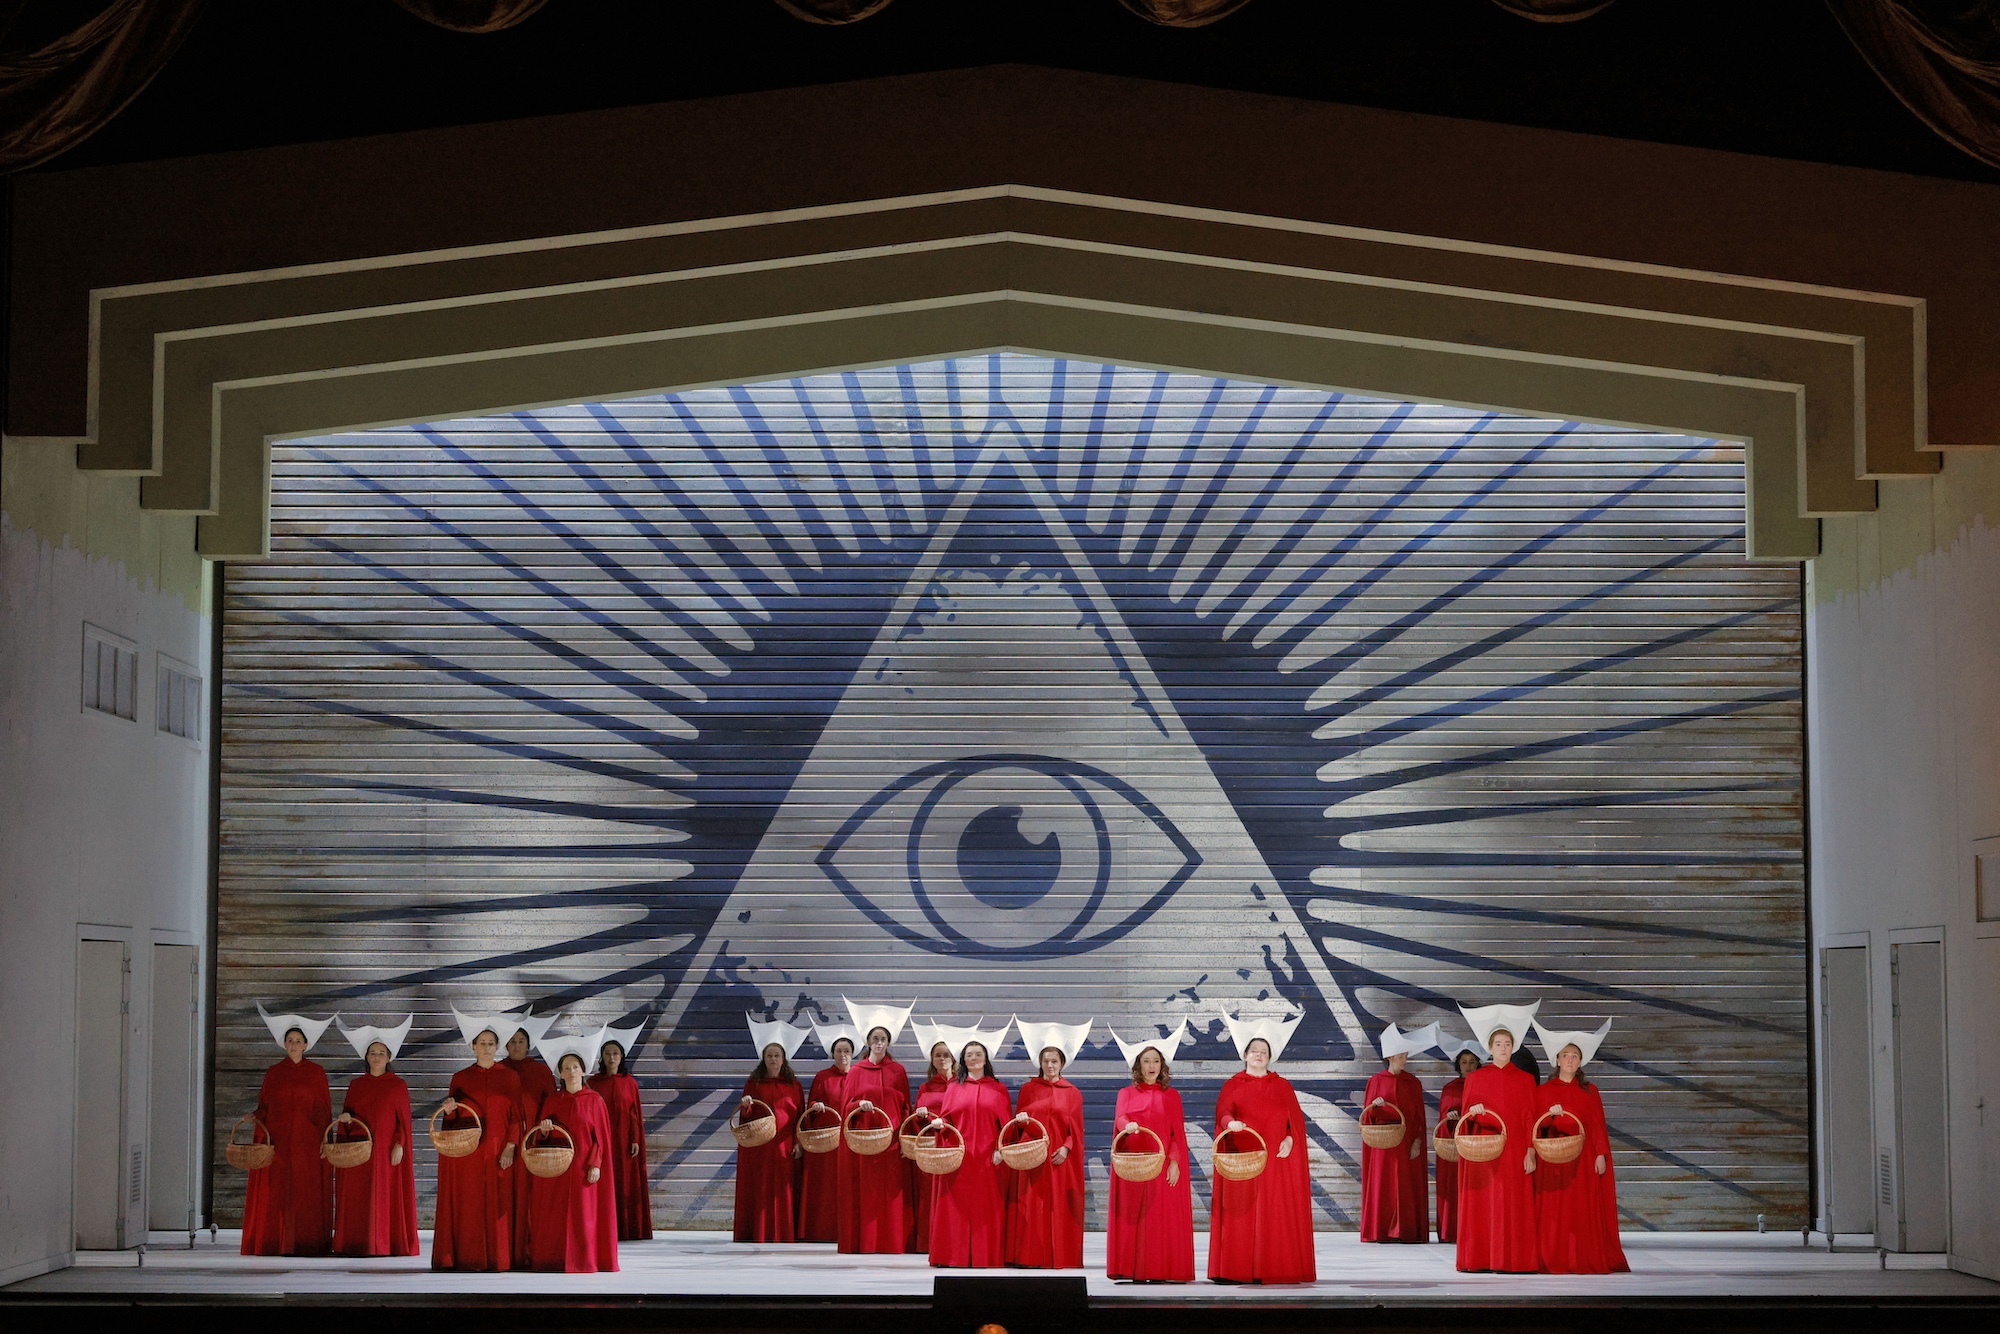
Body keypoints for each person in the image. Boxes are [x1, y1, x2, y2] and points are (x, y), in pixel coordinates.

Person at [1208, 1015, 1316, 1284]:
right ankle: (1237, 1268)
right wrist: (1229, 1123)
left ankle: (1275, 1266)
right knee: (1243, 1213)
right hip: (1244, 1161)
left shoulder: (1282, 1086)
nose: (1258, 1055)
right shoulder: (1232, 1085)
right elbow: (1223, 1112)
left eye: (1264, 1052)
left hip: (1276, 1164)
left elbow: (1296, 1124)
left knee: (1274, 1213)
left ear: (1270, 1058)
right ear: (1244, 1054)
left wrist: (1290, 1140)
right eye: (1254, 1051)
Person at [1530, 1020, 1628, 1275]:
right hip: (1554, 1161)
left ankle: (1581, 1257)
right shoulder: (1542, 1092)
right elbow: (1536, 1130)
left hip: (1583, 1160)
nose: (1570, 1060)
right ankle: (1553, 1258)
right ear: (1558, 1061)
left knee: (1581, 1210)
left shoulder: (1589, 1091)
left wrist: (1600, 1155)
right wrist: (1550, 1116)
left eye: (1575, 1056)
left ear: (1580, 1061)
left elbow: (1597, 1125)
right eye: (1566, 1055)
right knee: (1555, 1212)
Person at [1453, 1001, 1542, 1274]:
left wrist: (1530, 1151)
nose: (1503, 1048)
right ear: (1490, 1048)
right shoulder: (1476, 1079)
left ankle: (1515, 1259)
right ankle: (1481, 1258)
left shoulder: (1526, 1080)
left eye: (1507, 1043)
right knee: (1485, 1205)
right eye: (1498, 1044)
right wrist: (1474, 1111)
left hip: (1515, 1150)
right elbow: (1467, 1118)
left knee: (1515, 1205)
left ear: (1513, 1047)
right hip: (1486, 1150)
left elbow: (1530, 1118)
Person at [433, 1010, 524, 1272]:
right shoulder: (460, 1078)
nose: (486, 1048)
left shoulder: (510, 1077)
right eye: (482, 1043)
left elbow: (517, 1118)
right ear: (473, 1046)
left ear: (497, 1047)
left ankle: (499, 1258)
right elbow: (451, 1122)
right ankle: (468, 1257)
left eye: (491, 1043)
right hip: (469, 1153)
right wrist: (450, 1110)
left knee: (499, 1205)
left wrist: (510, 1147)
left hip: (499, 1150)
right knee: (469, 1204)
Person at [241, 1006, 334, 1256]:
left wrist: (326, 1140)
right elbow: (265, 1106)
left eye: (298, 1041)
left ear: (306, 1045)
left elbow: (324, 1111)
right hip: (279, 1142)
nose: (294, 1044)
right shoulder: (274, 1073)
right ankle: (274, 1241)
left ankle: (307, 1242)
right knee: (277, 1193)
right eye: (290, 1040)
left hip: (307, 1143)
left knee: (305, 1193)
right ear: (284, 1044)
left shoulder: (316, 1074)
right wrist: (255, 1116)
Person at [1106, 1024, 1194, 1283]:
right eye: (1146, 1061)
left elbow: (1177, 1133)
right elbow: (1120, 1119)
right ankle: (1132, 1269)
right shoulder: (1125, 1093)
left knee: (1159, 1220)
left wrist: (1175, 1161)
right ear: (1138, 1066)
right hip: (1134, 1165)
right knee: (1135, 1218)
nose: (1151, 1066)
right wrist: (1127, 1126)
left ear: (1162, 1065)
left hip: (1161, 1165)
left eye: (1156, 1061)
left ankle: (1160, 1269)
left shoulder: (1172, 1097)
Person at [527, 1041, 619, 1273]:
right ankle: (554, 1259)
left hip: (583, 1169)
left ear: (583, 1069)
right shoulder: (552, 1101)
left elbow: (602, 1140)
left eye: (575, 1067)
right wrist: (545, 1129)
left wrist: (596, 1164)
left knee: (584, 1217)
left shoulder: (594, 1101)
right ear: (560, 1073)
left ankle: (584, 1260)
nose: (570, 1072)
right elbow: (542, 1138)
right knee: (556, 1216)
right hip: (558, 1170)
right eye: (566, 1068)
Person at [1004, 1021, 1088, 1270]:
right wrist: (1019, 1123)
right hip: (1033, 1159)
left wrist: (1066, 1148)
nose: (1050, 1066)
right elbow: (1017, 1126)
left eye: (1054, 1061)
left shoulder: (1072, 1092)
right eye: (1046, 1061)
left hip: (1059, 1161)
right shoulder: (1029, 1090)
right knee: (1031, 1207)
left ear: (1062, 1064)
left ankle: (1059, 1256)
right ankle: (1029, 1257)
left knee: (1058, 1209)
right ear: (1040, 1063)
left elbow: (1076, 1131)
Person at [330, 1018, 417, 1257]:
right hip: (360, 1152)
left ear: (389, 1057)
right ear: (366, 1057)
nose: (376, 1056)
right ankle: (356, 1242)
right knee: (360, 1197)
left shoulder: (398, 1086)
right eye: (372, 1052)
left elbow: (404, 1122)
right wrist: (346, 1119)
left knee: (384, 1197)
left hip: (386, 1152)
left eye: (381, 1052)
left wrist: (400, 1144)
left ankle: (384, 1243)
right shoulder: (356, 1085)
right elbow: (348, 1116)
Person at [837, 1002, 915, 1255]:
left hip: (891, 1144)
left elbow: (906, 1107)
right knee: (866, 1194)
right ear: (868, 1043)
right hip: (865, 1144)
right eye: (875, 1039)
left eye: (883, 1039)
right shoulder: (856, 1071)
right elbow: (845, 1105)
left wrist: (905, 1139)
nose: (879, 1043)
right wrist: (860, 1103)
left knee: (891, 1194)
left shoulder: (898, 1072)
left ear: (889, 1044)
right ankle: (865, 1242)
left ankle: (891, 1243)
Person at [927, 1038, 1012, 1268]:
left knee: (987, 1210)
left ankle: (986, 1256)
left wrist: (1000, 1150)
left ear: (986, 1059)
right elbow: (946, 1119)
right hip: (960, 1157)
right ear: (963, 1060)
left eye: (978, 1054)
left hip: (988, 1159)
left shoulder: (999, 1089)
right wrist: (939, 1124)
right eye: (969, 1055)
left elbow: (1006, 1126)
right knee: (956, 1208)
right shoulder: (954, 1087)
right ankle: (953, 1257)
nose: (974, 1058)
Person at [735, 1019, 807, 1243]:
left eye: (777, 1055)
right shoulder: (753, 1084)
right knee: (761, 1189)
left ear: (783, 1059)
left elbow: (800, 1117)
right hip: (760, 1147)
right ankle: (758, 1231)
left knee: (784, 1190)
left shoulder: (794, 1085)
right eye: (769, 1055)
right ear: (763, 1059)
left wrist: (798, 1142)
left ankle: (784, 1233)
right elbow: (745, 1118)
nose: (773, 1059)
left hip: (785, 1146)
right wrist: (746, 1107)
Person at [1359, 1022, 1431, 1244]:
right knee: (1384, 1184)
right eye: (1401, 1054)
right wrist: (1376, 1106)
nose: (1405, 1058)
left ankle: (1407, 1229)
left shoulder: (1413, 1083)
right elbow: (1367, 1116)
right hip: (1384, 1143)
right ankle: (1382, 1229)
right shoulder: (1376, 1081)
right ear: (1389, 1057)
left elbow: (1419, 1117)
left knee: (1407, 1184)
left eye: (1406, 1054)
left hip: (1407, 1142)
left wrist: (1418, 1141)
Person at [499, 1013, 560, 1266]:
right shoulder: (499, 1070)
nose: (516, 1046)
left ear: (529, 1043)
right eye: (512, 1041)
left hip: (533, 1143)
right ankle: (504, 1249)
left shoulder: (541, 1071)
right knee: (504, 1197)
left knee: (531, 1198)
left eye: (521, 1041)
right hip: (503, 1143)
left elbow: (551, 1104)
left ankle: (529, 1250)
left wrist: (545, 1131)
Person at [588, 1028, 653, 1241]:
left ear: (622, 1056)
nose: (611, 1057)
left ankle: (627, 1228)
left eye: (615, 1053)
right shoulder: (594, 1083)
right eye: (607, 1053)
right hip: (602, 1141)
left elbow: (635, 1114)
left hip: (625, 1141)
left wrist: (635, 1138)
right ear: (601, 1057)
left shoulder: (630, 1083)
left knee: (625, 1182)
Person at [798, 1028, 854, 1242]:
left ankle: (845, 1231)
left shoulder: (857, 1076)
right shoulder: (822, 1077)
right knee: (823, 1189)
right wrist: (815, 1105)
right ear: (833, 1054)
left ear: (852, 1054)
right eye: (839, 1051)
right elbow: (809, 1105)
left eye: (847, 1051)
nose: (843, 1055)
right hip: (824, 1144)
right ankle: (819, 1231)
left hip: (848, 1143)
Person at [909, 1035, 956, 1250]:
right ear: (932, 1060)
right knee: (929, 1196)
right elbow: (916, 1118)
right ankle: (929, 1243)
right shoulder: (925, 1088)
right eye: (938, 1055)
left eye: (946, 1055)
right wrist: (919, 1115)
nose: (942, 1058)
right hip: (930, 1148)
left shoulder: (961, 1085)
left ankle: (951, 1241)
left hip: (953, 1147)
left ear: (954, 1059)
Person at [1434, 1040, 1484, 1244]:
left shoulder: (1483, 1085)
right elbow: (1443, 1117)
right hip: (1453, 1148)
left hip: (1477, 1146)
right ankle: (1451, 1230)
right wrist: (1451, 1117)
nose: (1468, 1066)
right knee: (1452, 1189)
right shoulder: (1450, 1088)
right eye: (1464, 1062)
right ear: (1458, 1064)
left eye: (1472, 1061)